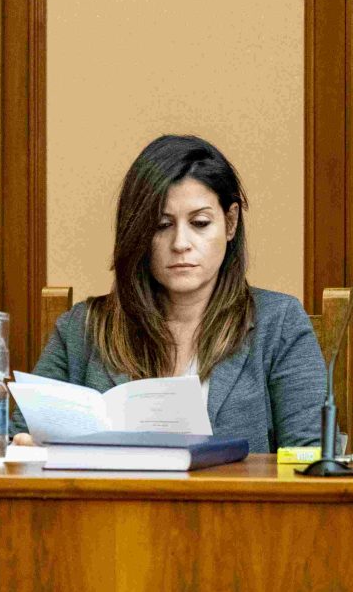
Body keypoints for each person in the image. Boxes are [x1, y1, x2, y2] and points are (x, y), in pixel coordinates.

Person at [21, 134, 326, 454]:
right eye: (161, 225)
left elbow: (311, 457)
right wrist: (30, 447)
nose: (181, 243)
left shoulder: (278, 322)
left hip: (232, 490)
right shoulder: (82, 328)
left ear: (230, 222)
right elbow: (18, 440)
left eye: (200, 223)